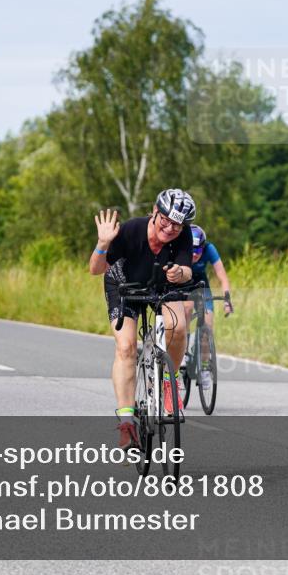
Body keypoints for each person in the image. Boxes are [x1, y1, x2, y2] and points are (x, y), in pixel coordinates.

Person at [89, 188, 197, 450]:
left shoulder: (182, 237)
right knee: (126, 347)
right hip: (123, 286)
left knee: (178, 327)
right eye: (166, 220)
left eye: (177, 224)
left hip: (160, 285)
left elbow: (186, 270)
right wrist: (103, 244)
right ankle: (127, 421)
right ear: (155, 211)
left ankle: (170, 382)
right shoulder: (131, 230)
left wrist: (179, 274)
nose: (170, 228)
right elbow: (95, 269)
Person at [183, 225, 233, 389]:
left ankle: (204, 367)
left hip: (201, 283)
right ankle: (183, 352)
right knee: (187, 309)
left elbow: (222, 275)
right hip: (183, 281)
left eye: (199, 251)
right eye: (192, 251)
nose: (195, 255)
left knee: (207, 324)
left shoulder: (210, 249)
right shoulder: (181, 247)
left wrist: (227, 300)